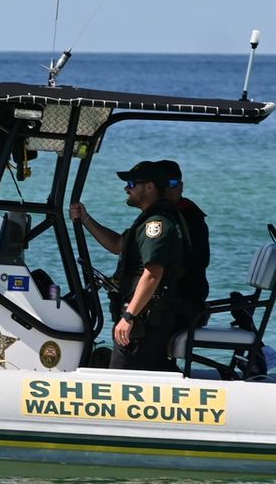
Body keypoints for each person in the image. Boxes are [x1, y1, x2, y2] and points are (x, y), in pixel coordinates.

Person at [69, 160, 187, 371]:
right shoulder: (151, 220)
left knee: (122, 379)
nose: (127, 188)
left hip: (143, 322)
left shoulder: (156, 224)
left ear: (150, 187)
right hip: (146, 320)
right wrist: (86, 219)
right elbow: (118, 245)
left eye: (132, 183)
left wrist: (129, 316)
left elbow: (152, 274)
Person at [155, 159, 210, 326]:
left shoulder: (190, 217)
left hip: (182, 303)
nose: (168, 189)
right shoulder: (160, 215)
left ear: (181, 185)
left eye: (173, 183)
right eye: (163, 184)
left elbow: (197, 261)